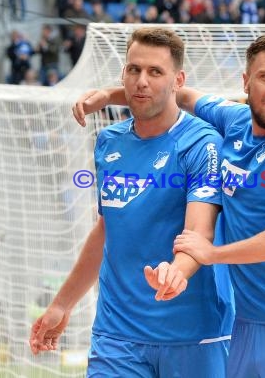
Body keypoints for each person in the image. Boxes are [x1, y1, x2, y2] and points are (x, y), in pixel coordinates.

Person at [73, 34, 265, 378]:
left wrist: (210, 253)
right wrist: (109, 95)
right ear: (246, 82)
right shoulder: (235, 121)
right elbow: (180, 93)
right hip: (246, 326)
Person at [31, 28, 234, 377]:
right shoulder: (108, 142)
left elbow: (200, 231)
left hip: (194, 334)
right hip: (117, 334)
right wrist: (62, 304)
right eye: (133, 70)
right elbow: (108, 227)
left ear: (178, 80)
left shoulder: (203, 144)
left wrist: (176, 271)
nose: (142, 81)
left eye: (155, 72)